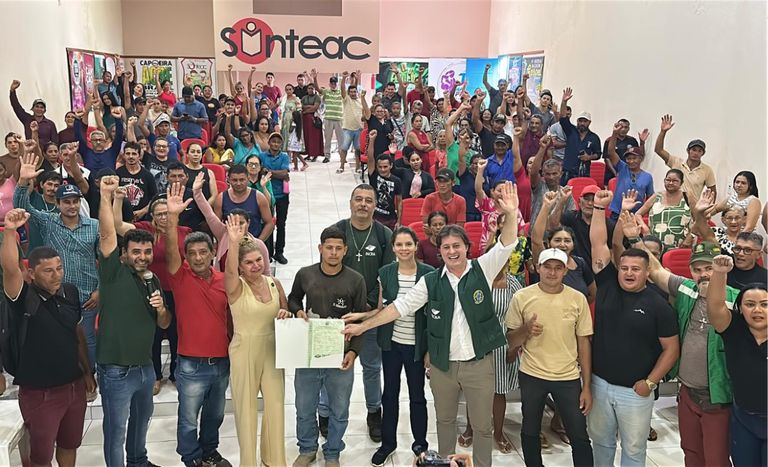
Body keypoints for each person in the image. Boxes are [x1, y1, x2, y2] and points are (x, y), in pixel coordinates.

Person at [343, 181, 521, 467]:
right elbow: (399, 307)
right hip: (443, 367)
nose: (452, 251)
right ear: (440, 251)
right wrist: (362, 327)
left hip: (478, 365)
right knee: (445, 422)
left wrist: (511, 214)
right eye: (446, 247)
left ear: (467, 248)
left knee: (482, 426)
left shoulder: (482, 269)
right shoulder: (430, 281)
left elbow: (507, 244)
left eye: (457, 246)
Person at [588, 189, 680, 467]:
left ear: (647, 272)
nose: (628, 272)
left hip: (636, 391)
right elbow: (598, 244)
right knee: (601, 442)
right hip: (600, 385)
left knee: (634, 448)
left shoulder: (659, 304)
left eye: (635, 269)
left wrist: (650, 382)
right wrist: (599, 208)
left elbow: (671, 349)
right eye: (624, 267)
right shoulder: (607, 285)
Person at [633, 226, 735, 466]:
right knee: (691, 452)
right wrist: (633, 238)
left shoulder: (739, 300)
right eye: (697, 269)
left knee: (717, 459)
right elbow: (656, 270)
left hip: (718, 397)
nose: (704, 275)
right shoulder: (687, 289)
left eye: (709, 268)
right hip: (687, 391)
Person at [1, 208, 95, 467]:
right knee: (40, 458)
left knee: (69, 445)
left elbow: (76, 332)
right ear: (32, 274)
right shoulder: (23, 298)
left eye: (59, 268)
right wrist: (9, 231)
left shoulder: (70, 292)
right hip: (40, 393)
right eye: (48, 271)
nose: (57, 275)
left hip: (73, 386)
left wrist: (87, 372)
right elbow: (10, 269)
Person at [96, 174, 170, 467]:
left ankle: (138, 461)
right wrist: (106, 196)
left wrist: (161, 309)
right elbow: (107, 236)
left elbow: (164, 324)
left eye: (147, 252)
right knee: (116, 430)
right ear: (124, 254)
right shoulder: (113, 273)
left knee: (142, 420)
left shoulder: (153, 281)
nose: (142, 257)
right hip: (116, 369)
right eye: (136, 252)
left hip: (145, 367)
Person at [344, 227, 434, 465]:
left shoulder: (429, 274)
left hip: (416, 346)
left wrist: (430, 350)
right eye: (399, 244)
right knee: (390, 394)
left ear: (416, 246)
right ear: (393, 248)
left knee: (417, 396)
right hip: (391, 344)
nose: (404, 249)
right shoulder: (385, 273)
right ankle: (388, 444)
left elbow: (435, 315)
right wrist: (360, 317)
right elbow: (382, 309)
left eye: (408, 244)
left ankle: (420, 445)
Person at [164, 183, 232, 467]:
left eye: (203, 252)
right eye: (192, 253)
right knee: (188, 417)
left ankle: (209, 452)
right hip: (191, 363)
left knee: (215, 415)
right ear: (187, 256)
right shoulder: (180, 277)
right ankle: (191, 457)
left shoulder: (225, 281)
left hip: (221, 361)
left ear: (213, 252)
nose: (198, 258)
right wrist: (172, 218)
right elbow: (171, 252)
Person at [507, 247, 594, 467]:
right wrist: (525, 330)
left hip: (567, 376)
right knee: (530, 429)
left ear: (565, 271)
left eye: (558, 268)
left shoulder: (577, 299)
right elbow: (511, 340)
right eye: (547, 267)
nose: (552, 272)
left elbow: (584, 344)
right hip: (532, 374)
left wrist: (586, 386)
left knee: (579, 433)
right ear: (538, 268)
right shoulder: (522, 297)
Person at [13, 154, 101, 372]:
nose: (71, 206)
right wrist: (23, 182)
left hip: (88, 294)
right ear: (58, 203)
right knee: (61, 338)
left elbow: (104, 259)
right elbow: (22, 206)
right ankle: (68, 375)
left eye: (75, 201)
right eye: (66, 202)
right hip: (57, 295)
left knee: (88, 339)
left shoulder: (94, 225)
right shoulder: (48, 221)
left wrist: (100, 289)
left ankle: (89, 376)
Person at [289, 226, 368, 467]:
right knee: (304, 407)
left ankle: (333, 452)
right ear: (320, 248)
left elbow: (361, 320)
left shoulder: (356, 280)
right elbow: (293, 298)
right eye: (329, 248)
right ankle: (307, 449)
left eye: (338, 248)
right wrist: (298, 311)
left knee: (339, 410)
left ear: (345, 250)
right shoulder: (305, 274)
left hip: (340, 356)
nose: (333, 253)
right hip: (309, 354)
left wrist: (353, 352)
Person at [223, 214, 288, 466]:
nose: (255, 265)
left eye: (258, 260)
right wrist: (233, 242)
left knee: (275, 406)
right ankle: (248, 462)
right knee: (246, 411)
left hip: (273, 350)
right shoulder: (236, 287)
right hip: (244, 351)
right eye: (248, 262)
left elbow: (286, 312)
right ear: (240, 266)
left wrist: (286, 314)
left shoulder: (274, 283)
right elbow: (229, 271)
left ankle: (274, 460)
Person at [458, 255, 524, 455]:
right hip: (477, 342)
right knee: (474, 389)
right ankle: (470, 428)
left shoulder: (513, 284)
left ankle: (499, 433)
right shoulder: (476, 280)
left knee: (498, 391)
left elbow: (521, 317)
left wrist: (514, 348)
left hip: (503, 343)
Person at [707, 255, 767, 467]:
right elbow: (715, 305)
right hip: (744, 419)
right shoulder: (733, 331)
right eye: (750, 304)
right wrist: (719, 272)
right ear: (740, 309)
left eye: (764, 304)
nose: (757, 310)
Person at [191, 172, 270, 273]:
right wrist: (197, 192)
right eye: (233, 222)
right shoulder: (223, 234)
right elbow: (209, 214)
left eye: (241, 223)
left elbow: (266, 273)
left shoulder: (259, 245)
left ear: (248, 223)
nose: (237, 226)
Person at [693, 189, 767, 288]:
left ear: (759, 254)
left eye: (747, 250)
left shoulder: (765, 277)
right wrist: (699, 213)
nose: (740, 254)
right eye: (737, 248)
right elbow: (707, 234)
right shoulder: (725, 267)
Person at [532, 191, 596, 303]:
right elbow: (536, 239)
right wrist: (546, 206)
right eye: (557, 240)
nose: (562, 244)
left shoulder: (580, 263)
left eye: (567, 241)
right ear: (549, 243)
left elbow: (592, 294)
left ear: (573, 244)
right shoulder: (543, 258)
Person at [654, 114, 717, 203]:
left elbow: (712, 191)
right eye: (693, 150)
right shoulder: (676, 162)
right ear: (688, 150)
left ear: (703, 153)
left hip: (692, 207)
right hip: (673, 205)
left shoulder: (707, 170)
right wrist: (663, 132)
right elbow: (659, 150)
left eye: (699, 151)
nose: (696, 153)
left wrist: (709, 208)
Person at [549, 184, 615, 265]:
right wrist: (561, 201)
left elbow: (612, 252)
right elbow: (552, 226)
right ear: (579, 202)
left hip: (597, 267)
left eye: (594, 200)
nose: (590, 203)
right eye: (586, 199)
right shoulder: (571, 217)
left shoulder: (609, 225)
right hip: (573, 266)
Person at [213, 164, 274, 245]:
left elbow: (269, 223)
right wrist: (222, 243)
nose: (238, 183)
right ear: (228, 180)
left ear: (248, 179)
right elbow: (216, 226)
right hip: (229, 244)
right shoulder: (221, 198)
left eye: (242, 180)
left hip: (253, 244)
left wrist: (258, 242)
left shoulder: (259, 197)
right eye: (235, 180)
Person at [634, 168, 692, 251]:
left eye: (675, 181)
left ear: (681, 183)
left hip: (681, 245)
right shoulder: (656, 196)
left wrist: (689, 238)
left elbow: (699, 220)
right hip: (655, 246)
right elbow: (637, 214)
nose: (671, 183)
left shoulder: (688, 197)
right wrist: (645, 228)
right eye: (668, 180)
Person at [605, 123, 654, 217]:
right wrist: (614, 133)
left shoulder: (647, 177)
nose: (631, 161)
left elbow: (650, 198)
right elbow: (611, 152)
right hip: (617, 213)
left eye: (634, 158)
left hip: (635, 214)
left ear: (640, 159)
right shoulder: (622, 168)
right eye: (628, 158)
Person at [259, 132, 291, 264]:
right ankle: (268, 252)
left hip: (282, 194)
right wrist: (278, 174)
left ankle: (279, 252)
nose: (275, 144)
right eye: (273, 141)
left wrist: (268, 172)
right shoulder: (262, 156)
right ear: (269, 143)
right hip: (266, 194)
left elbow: (285, 173)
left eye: (278, 142)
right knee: (269, 223)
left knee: (281, 224)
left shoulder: (284, 156)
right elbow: (261, 171)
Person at [557, 87, 601, 181]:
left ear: (589, 122)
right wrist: (564, 102)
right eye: (580, 121)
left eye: (585, 121)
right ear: (577, 121)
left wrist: (588, 157)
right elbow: (562, 118)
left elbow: (598, 154)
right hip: (567, 172)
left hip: (583, 173)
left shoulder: (594, 137)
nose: (582, 123)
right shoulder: (571, 131)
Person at [366, 131, 402, 230]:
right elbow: (370, 158)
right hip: (374, 218)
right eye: (380, 167)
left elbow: (399, 202)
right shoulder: (374, 175)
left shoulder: (397, 181)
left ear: (391, 166)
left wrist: (399, 221)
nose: (382, 169)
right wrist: (372, 140)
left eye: (385, 166)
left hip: (390, 219)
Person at [117, 141, 158, 222]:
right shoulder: (118, 173)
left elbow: (154, 198)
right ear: (124, 155)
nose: (131, 156)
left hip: (143, 219)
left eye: (134, 154)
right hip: (122, 218)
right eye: (128, 153)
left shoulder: (148, 175)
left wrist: (143, 211)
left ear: (139, 156)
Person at [9, 80, 58, 144]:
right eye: (37, 106)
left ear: (44, 110)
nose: (39, 109)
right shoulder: (27, 119)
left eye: (41, 107)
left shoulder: (50, 124)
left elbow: (55, 141)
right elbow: (16, 107)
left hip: (46, 150)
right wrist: (12, 91)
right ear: (32, 109)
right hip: (30, 149)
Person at [338, 71, 364, 173]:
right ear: (349, 93)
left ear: (357, 92)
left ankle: (358, 167)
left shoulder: (360, 100)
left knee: (358, 149)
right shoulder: (346, 99)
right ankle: (341, 166)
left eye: (354, 91)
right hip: (347, 129)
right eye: (351, 92)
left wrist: (357, 79)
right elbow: (342, 89)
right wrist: (344, 78)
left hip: (359, 129)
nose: (353, 93)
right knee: (344, 148)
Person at [603, 118, 639, 185]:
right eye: (621, 127)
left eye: (626, 127)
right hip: (611, 174)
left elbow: (638, 156)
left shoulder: (632, 140)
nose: (623, 129)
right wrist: (616, 173)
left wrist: (642, 143)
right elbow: (607, 158)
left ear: (628, 129)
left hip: (628, 174)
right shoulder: (609, 140)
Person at [301, 82, 324, 162]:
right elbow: (302, 107)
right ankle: (309, 154)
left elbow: (315, 108)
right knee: (307, 136)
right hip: (305, 120)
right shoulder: (304, 97)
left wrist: (306, 110)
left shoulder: (317, 97)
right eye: (309, 88)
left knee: (314, 137)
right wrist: (310, 106)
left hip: (314, 119)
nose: (310, 90)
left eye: (312, 88)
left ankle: (315, 154)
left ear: (315, 90)